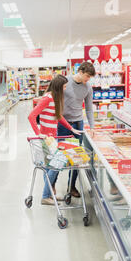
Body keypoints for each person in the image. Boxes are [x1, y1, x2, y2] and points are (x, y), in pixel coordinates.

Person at [28, 75, 83, 205]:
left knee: (49, 168)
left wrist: (71, 129)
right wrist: (39, 133)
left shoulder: (55, 98)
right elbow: (31, 116)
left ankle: (49, 194)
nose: (65, 89)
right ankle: (46, 195)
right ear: (58, 87)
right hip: (46, 140)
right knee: (55, 166)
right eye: (64, 87)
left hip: (53, 138)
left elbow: (58, 116)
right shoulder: (47, 98)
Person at [56, 62, 95, 198]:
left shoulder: (88, 87)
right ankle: (52, 186)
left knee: (77, 157)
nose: (88, 79)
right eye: (87, 76)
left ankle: (71, 186)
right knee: (59, 156)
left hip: (78, 124)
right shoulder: (65, 82)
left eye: (90, 77)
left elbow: (89, 108)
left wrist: (92, 126)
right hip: (63, 123)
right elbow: (53, 99)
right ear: (80, 71)